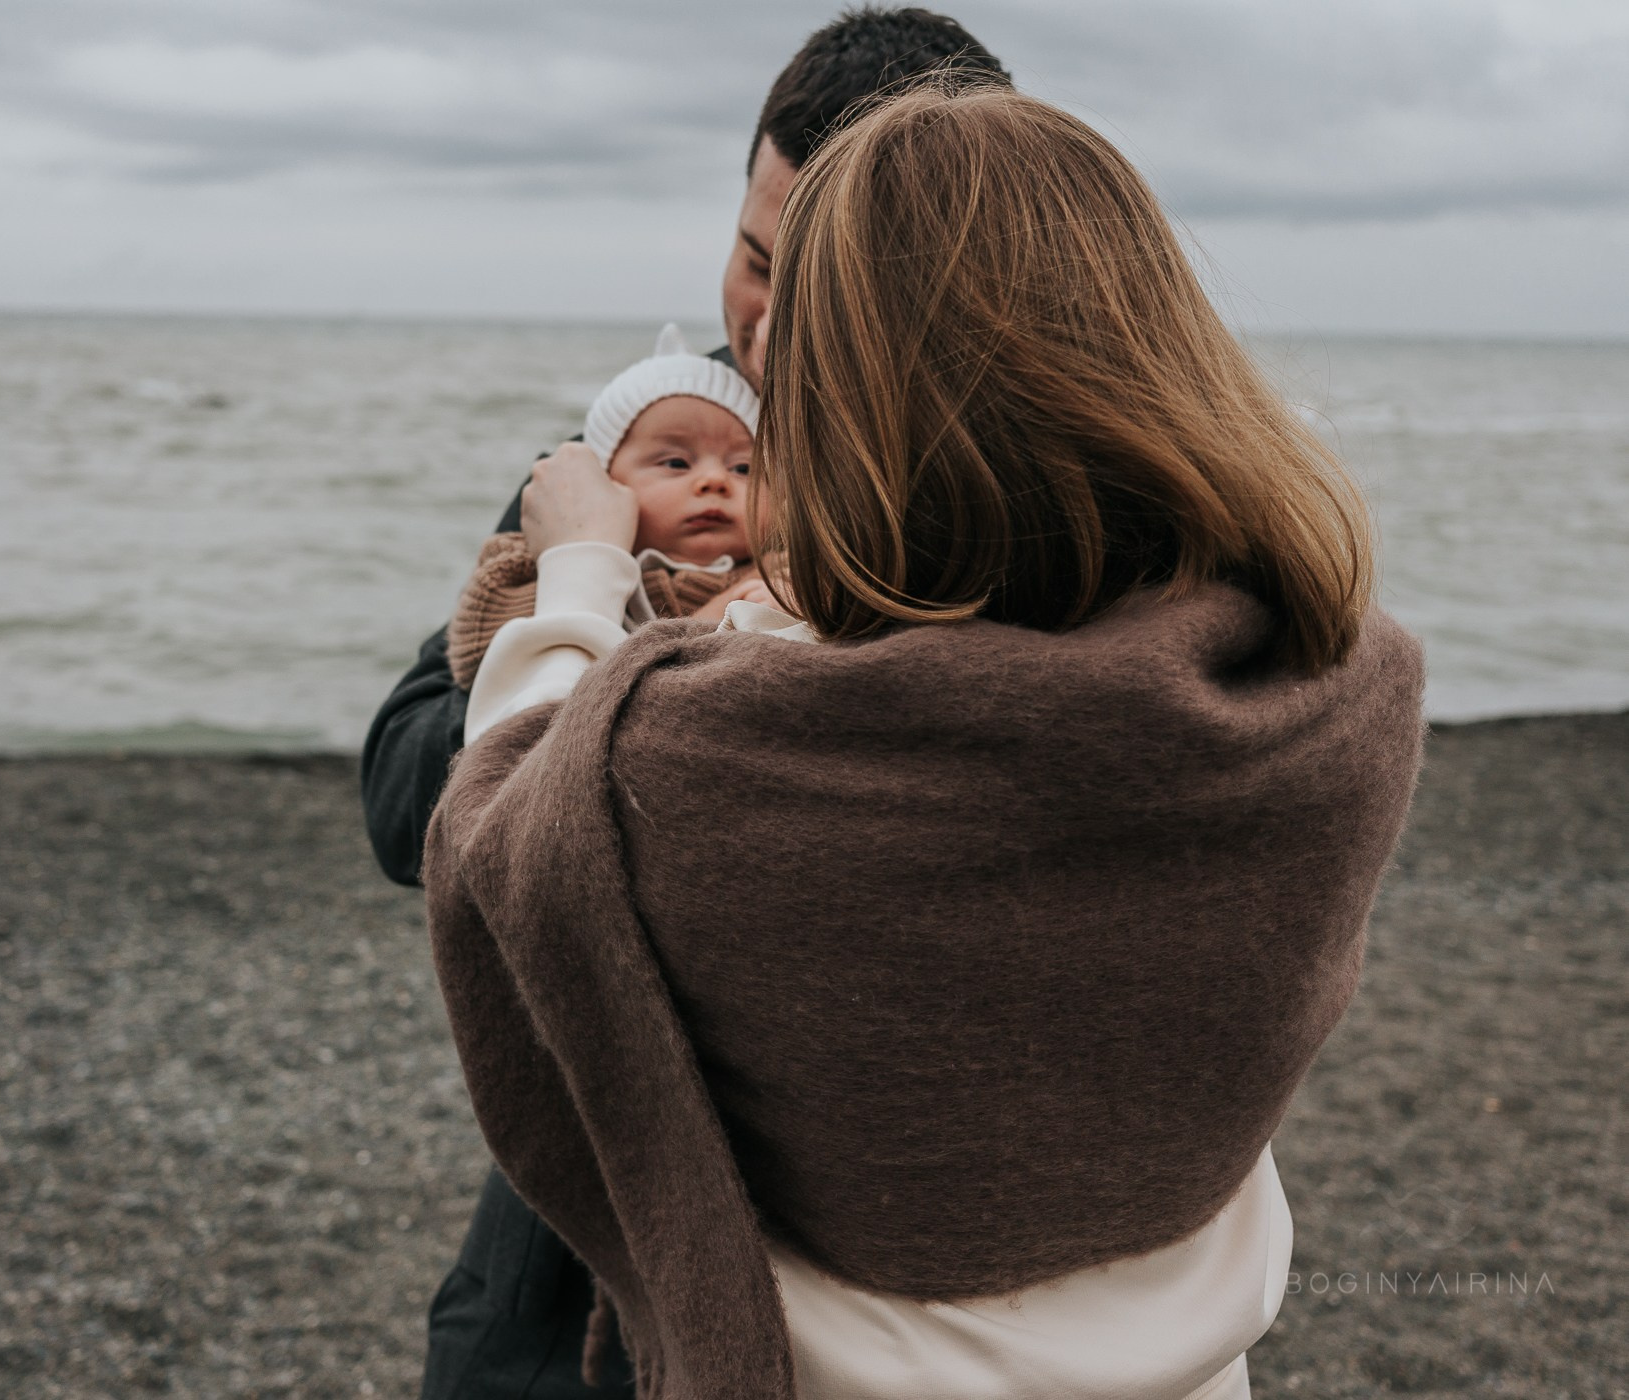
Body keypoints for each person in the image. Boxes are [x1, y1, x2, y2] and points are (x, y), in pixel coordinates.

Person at [423, 80, 1424, 1400]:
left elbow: (503, 835)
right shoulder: (1343, 694)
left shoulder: (724, 758)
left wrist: (577, 579)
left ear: (856, 396)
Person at [367, 12, 1011, 1399]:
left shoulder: (1001, 537)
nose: (764, 327)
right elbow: (399, 790)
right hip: (565, 1239)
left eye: (819, 284)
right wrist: (584, 584)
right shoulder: (634, 462)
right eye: (753, 257)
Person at [446, 325, 775, 705]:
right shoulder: (534, 565)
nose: (714, 480)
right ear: (603, 482)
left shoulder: (781, 572)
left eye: (744, 469)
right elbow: (481, 656)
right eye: (675, 462)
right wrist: (710, 621)